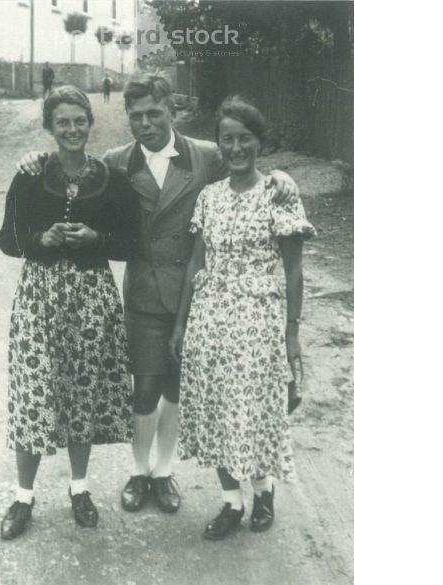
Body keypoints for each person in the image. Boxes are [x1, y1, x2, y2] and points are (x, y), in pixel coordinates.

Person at [15, 76, 298, 517]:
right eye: (136, 116)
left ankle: (163, 472)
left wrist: (281, 175)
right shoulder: (115, 161)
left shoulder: (204, 155)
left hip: (196, 298)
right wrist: (37, 158)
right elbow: (72, 164)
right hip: (145, 293)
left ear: (172, 111)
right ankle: (139, 471)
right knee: (144, 387)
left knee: (176, 387)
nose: (145, 123)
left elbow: (247, 171)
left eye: (154, 113)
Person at [168, 95, 316, 540]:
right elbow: (196, 265)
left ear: (259, 142)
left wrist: (292, 333)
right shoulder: (209, 198)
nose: (236, 148)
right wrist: (180, 324)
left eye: (244, 139)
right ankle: (231, 502)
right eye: (227, 139)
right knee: (214, 410)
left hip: (257, 322)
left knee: (253, 410)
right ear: (219, 144)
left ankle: (264, 490)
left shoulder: (278, 194)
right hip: (209, 320)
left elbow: (293, 270)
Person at [0, 85, 139, 539]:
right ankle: (23, 498)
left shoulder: (111, 178)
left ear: (90, 124)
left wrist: (96, 240)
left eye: (80, 121)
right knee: (33, 396)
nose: (73, 129)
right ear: (49, 128)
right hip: (40, 300)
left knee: (82, 392)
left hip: (91, 300)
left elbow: (131, 242)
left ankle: (79, 489)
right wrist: (41, 240)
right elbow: (8, 239)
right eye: (63, 122)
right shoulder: (30, 175)